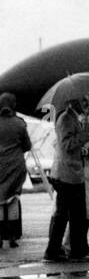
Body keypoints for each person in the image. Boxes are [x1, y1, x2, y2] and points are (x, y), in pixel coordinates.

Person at [44, 94, 89, 262]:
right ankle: (68, 252)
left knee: (73, 213)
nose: (86, 104)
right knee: (71, 214)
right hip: (67, 174)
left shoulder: (72, 118)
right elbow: (66, 145)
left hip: (72, 173)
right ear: (74, 101)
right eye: (83, 100)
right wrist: (84, 134)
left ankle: (63, 251)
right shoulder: (66, 118)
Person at [0, 92, 32, 248]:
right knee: (13, 198)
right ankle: (12, 237)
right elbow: (27, 146)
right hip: (16, 165)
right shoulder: (19, 123)